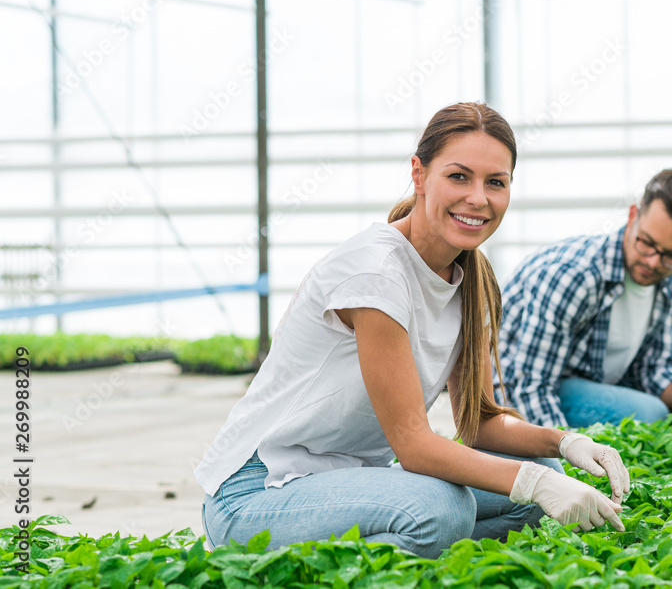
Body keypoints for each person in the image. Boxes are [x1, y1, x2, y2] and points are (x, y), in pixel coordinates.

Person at [195, 102, 630, 560]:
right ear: (419, 175)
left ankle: (422, 548)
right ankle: (354, 550)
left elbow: (478, 424)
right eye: (459, 176)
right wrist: (537, 485)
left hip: (358, 483)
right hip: (258, 492)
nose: (478, 198)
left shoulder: (472, 282)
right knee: (442, 508)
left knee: (531, 472)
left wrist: (566, 444)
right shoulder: (377, 273)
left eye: (495, 182)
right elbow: (414, 446)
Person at [495, 168, 672, 429]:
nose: (653, 262)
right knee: (649, 413)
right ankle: (644, 426)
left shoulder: (665, 278)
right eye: (647, 243)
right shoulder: (575, 275)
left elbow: (653, 365)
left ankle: (656, 430)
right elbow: (530, 386)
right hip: (523, 386)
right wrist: (564, 451)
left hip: (596, 374)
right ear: (633, 215)